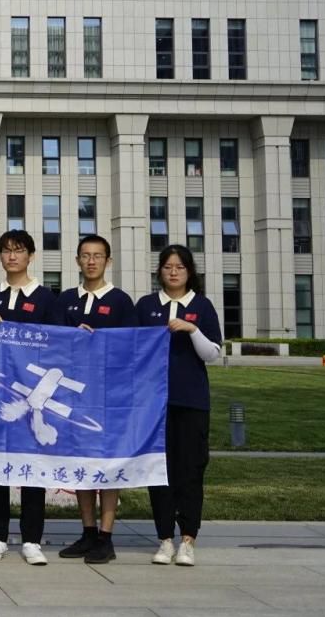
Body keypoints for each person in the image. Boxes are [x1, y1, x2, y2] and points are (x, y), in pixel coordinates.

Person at [0, 229, 62, 566]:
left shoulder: (45, 299)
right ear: (0, 256)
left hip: (33, 398)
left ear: (30, 256)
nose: (12, 256)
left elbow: (58, 343)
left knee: (32, 466)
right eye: (7, 251)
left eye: (19, 250)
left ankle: (31, 538)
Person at [135, 244, 222, 567]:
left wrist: (192, 328)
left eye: (180, 267)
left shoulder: (201, 306)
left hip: (191, 402)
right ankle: (164, 539)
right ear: (159, 271)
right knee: (158, 472)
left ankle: (188, 538)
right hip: (152, 405)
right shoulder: (146, 306)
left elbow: (212, 354)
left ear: (189, 272)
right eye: (167, 267)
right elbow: (129, 347)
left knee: (190, 471)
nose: (173, 272)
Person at [55, 234, 139, 565]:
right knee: (81, 465)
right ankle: (88, 532)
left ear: (108, 261)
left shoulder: (120, 302)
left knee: (107, 465)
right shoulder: (64, 301)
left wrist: (100, 341)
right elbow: (51, 346)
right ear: (77, 260)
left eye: (98, 256)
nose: (91, 261)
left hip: (108, 396)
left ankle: (106, 536)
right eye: (86, 255)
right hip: (73, 397)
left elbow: (132, 347)